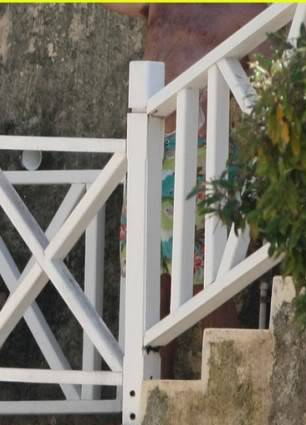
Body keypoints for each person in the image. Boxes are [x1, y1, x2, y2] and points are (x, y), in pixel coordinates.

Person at [107, 4, 266, 375]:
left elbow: (273, 68)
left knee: (206, 284)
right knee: (150, 280)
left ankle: (239, 391)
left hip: (203, 151)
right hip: (149, 145)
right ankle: (145, 403)